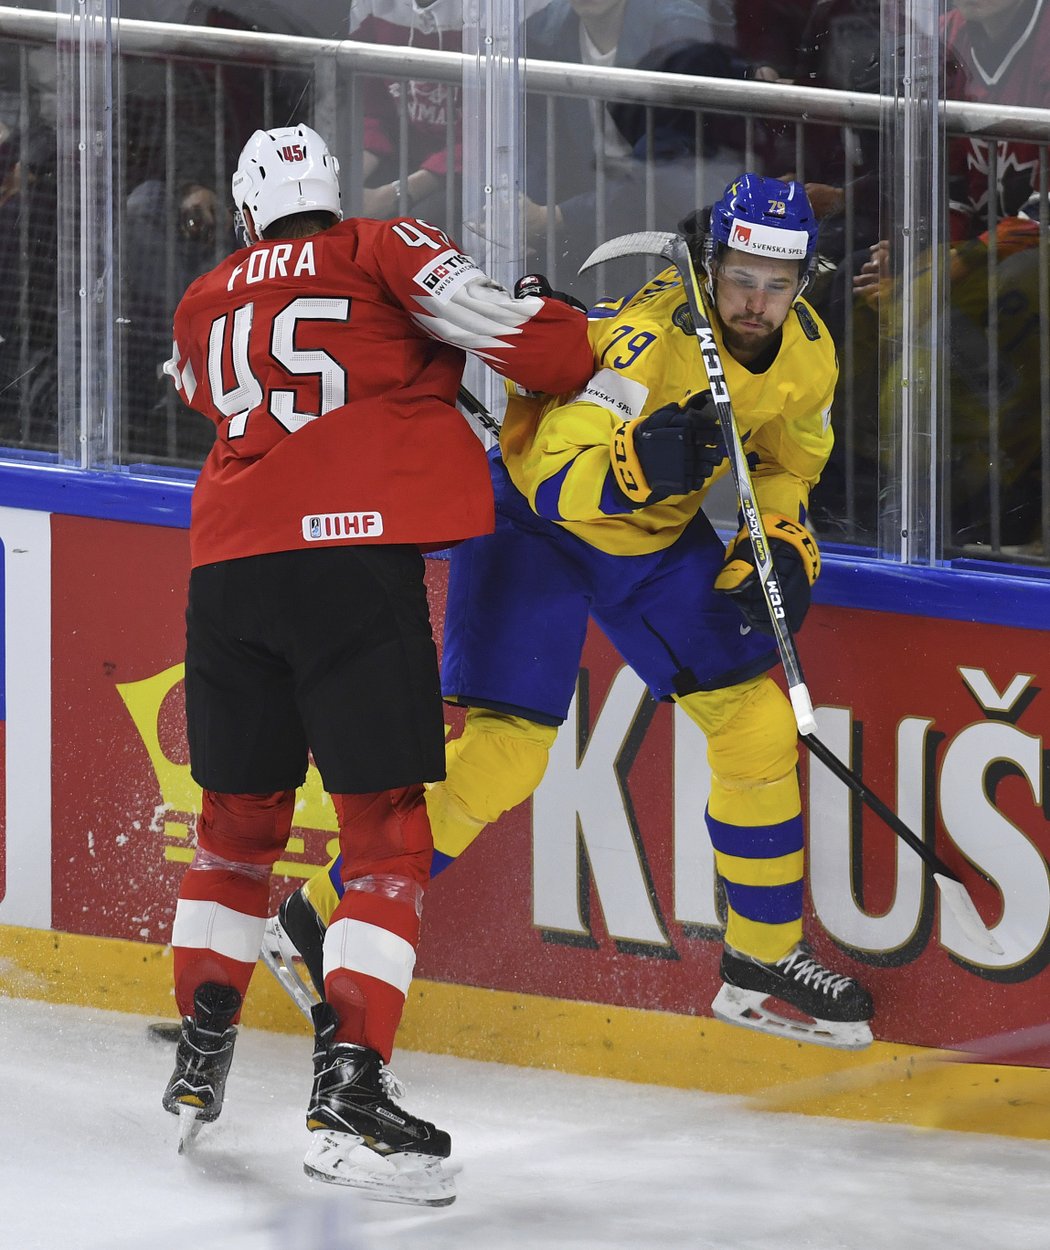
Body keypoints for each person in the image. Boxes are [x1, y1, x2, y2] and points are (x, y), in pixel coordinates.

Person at [265, 173, 876, 1051]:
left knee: (758, 728)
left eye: (778, 285)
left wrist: (777, 538)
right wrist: (638, 465)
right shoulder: (648, 343)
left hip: (651, 546)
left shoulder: (807, 349)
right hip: (534, 530)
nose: (756, 302)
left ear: (804, 282)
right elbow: (556, 480)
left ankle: (760, 964)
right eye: (742, 278)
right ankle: (316, 921)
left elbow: (787, 458)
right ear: (714, 262)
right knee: (507, 759)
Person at [159, 121, 593, 1204]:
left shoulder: (204, 294)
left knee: (235, 823)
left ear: (254, 208)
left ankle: (201, 1043)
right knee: (388, 839)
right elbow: (535, 349)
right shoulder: (377, 245)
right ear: (333, 193)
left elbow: (198, 391)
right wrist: (560, 326)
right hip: (349, 562)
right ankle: (350, 1096)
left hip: (226, 575)